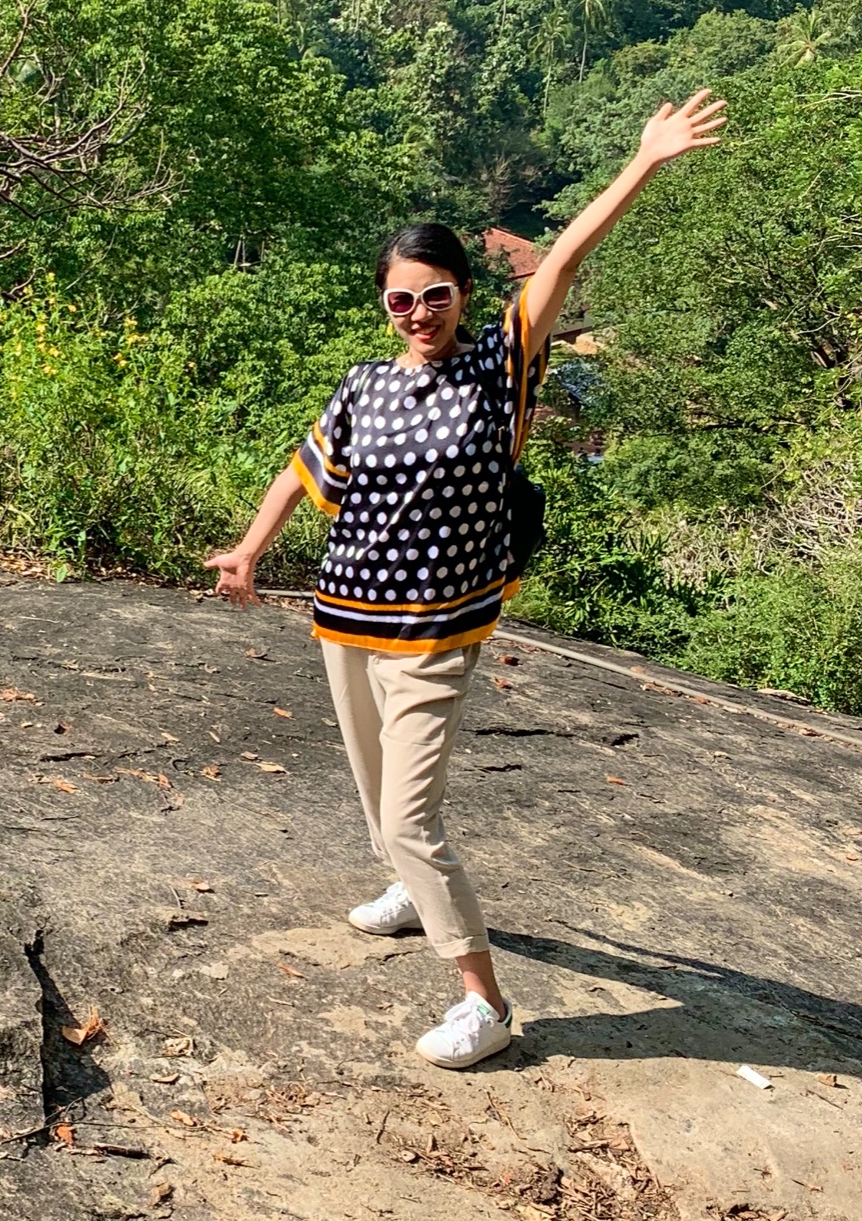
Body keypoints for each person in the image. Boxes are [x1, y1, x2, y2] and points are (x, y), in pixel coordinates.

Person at [204, 91, 727, 1070]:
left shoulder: (499, 364)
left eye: (432, 293)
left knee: (407, 814)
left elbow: (563, 256)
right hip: (343, 619)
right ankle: (409, 888)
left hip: (438, 631)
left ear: (459, 293)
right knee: (376, 799)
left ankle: (482, 999)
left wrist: (642, 160)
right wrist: (247, 548)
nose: (415, 313)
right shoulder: (363, 384)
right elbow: (300, 466)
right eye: (398, 299)